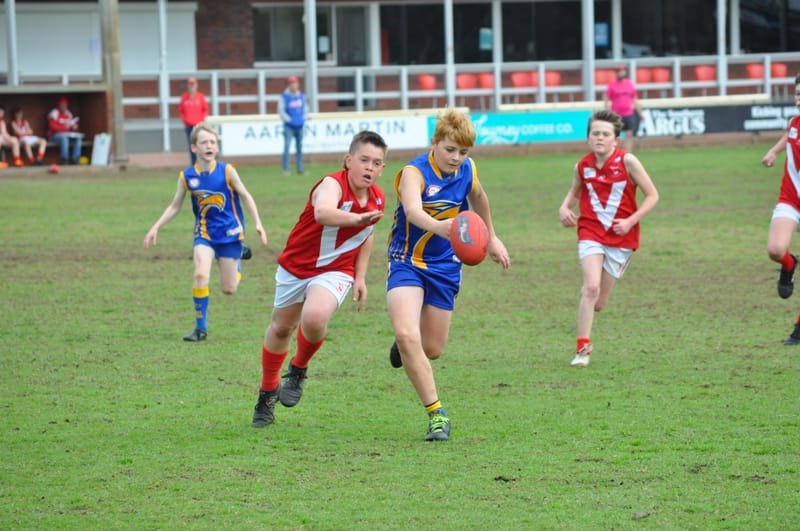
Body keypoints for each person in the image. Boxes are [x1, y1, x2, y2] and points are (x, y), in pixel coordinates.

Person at [386, 108, 511, 442]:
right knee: (407, 333)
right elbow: (412, 211)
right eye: (450, 150)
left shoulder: (467, 170)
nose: (456, 158)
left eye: (463, 152)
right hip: (407, 261)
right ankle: (436, 415)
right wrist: (443, 227)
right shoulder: (415, 172)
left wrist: (492, 237)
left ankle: (405, 346)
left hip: (445, 266)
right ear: (435, 142)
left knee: (433, 348)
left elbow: (480, 198)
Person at [251, 130, 387, 428]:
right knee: (281, 327)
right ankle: (267, 391)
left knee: (314, 318)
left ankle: (298, 369)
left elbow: (367, 234)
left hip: (336, 269)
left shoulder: (377, 198)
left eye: (377, 163)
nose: (369, 168)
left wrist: (361, 277)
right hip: (296, 266)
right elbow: (323, 213)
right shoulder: (331, 184)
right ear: (348, 160)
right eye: (364, 160)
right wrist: (356, 219)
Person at [144, 123, 267, 342]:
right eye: (204, 142)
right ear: (194, 148)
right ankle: (200, 329)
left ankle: (237, 256)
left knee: (229, 289)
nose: (209, 146)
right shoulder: (187, 176)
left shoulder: (227, 171)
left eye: (212, 142)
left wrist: (258, 223)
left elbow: (246, 196)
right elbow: (175, 206)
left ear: (216, 147)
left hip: (230, 234)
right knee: (201, 274)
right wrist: (156, 226)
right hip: (205, 234)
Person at [558, 109, 659, 367]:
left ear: (616, 139)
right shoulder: (582, 166)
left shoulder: (628, 162)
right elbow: (574, 193)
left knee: (599, 303)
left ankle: (590, 306)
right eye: (595, 134)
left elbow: (652, 195)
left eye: (605, 134)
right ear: (588, 138)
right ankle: (583, 349)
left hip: (621, 236)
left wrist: (630, 221)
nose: (600, 138)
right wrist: (564, 207)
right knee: (591, 287)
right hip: (590, 230)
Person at [761, 73, 800, 344]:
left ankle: (798, 328)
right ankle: (789, 264)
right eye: (797, 93)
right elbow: (790, 136)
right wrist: (773, 151)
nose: (798, 97)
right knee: (775, 249)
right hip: (791, 198)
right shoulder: (794, 123)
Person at [604, 65, 642, 152]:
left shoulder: (629, 84)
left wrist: (640, 113)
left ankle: (627, 154)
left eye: (622, 71)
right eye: (618, 71)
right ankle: (616, 154)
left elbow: (634, 99)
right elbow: (607, 100)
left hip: (628, 113)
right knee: (615, 135)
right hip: (616, 114)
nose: (620, 73)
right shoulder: (612, 85)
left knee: (629, 134)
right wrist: (607, 113)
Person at [278, 75, 308, 176]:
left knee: (299, 148)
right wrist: (290, 120)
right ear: (288, 85)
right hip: (289, 126)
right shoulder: (284, 97)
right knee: (287, 147)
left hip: (300, 125)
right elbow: (281, 111)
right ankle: (286, 169)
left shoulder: (301, 96)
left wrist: (303, 118)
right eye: (291, 83)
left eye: (294, 83)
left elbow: (305, 109)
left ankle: (300, 169)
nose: (293, 85)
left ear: (297, 84)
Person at [178, 77, 209, 166]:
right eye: (190, 84)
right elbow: (181, 111)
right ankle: (194, 165)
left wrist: (201, 120)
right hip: (189, 126)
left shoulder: (200, 97)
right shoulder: (184, 98)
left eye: (193, 84)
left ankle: (202, 163)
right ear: (188, 86)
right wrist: (185, 120)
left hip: (198, 126)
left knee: (201, 145)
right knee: (192, 146)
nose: (192, 86)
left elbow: (205, 110)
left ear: (196, 85)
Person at [47, 97, 83, 165]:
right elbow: (52, 127)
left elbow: (71, 124)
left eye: (65, 105)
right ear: (59, 105)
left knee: (78, 139)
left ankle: (75, 159)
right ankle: (64, 160)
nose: (64, 106)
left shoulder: (68, 114)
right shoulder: (54, 113)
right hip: (54, 135)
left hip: (67, 135)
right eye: (62, 105)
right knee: (64, 139)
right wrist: (64, 128)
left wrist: (74, 127)